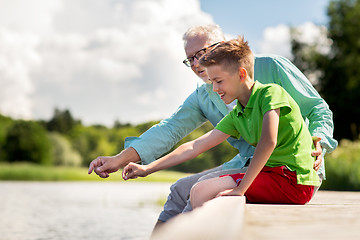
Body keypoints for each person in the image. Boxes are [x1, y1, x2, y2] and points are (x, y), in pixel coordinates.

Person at [88, 24, 337, 225]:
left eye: (202, 54)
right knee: (178, 190)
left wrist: (319, 140)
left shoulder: (270, 71)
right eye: (190, 59)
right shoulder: (206, 95)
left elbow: (317, 109)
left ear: (223, 47)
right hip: (248, 167)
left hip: (292, 171)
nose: (197, 64)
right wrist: (126, 161)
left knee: (200, 191)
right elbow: (176, 133)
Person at [122, 36, 321, 207]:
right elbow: (195, 146)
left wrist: (241, 189)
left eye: (218, 81)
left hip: (294, 181)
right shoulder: (238, 114)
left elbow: (268, 141)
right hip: (271, 175)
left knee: (202, 190)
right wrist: (147, 168)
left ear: (241, 74)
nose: (215, 89)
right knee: (201, 189)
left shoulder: (270, 93)